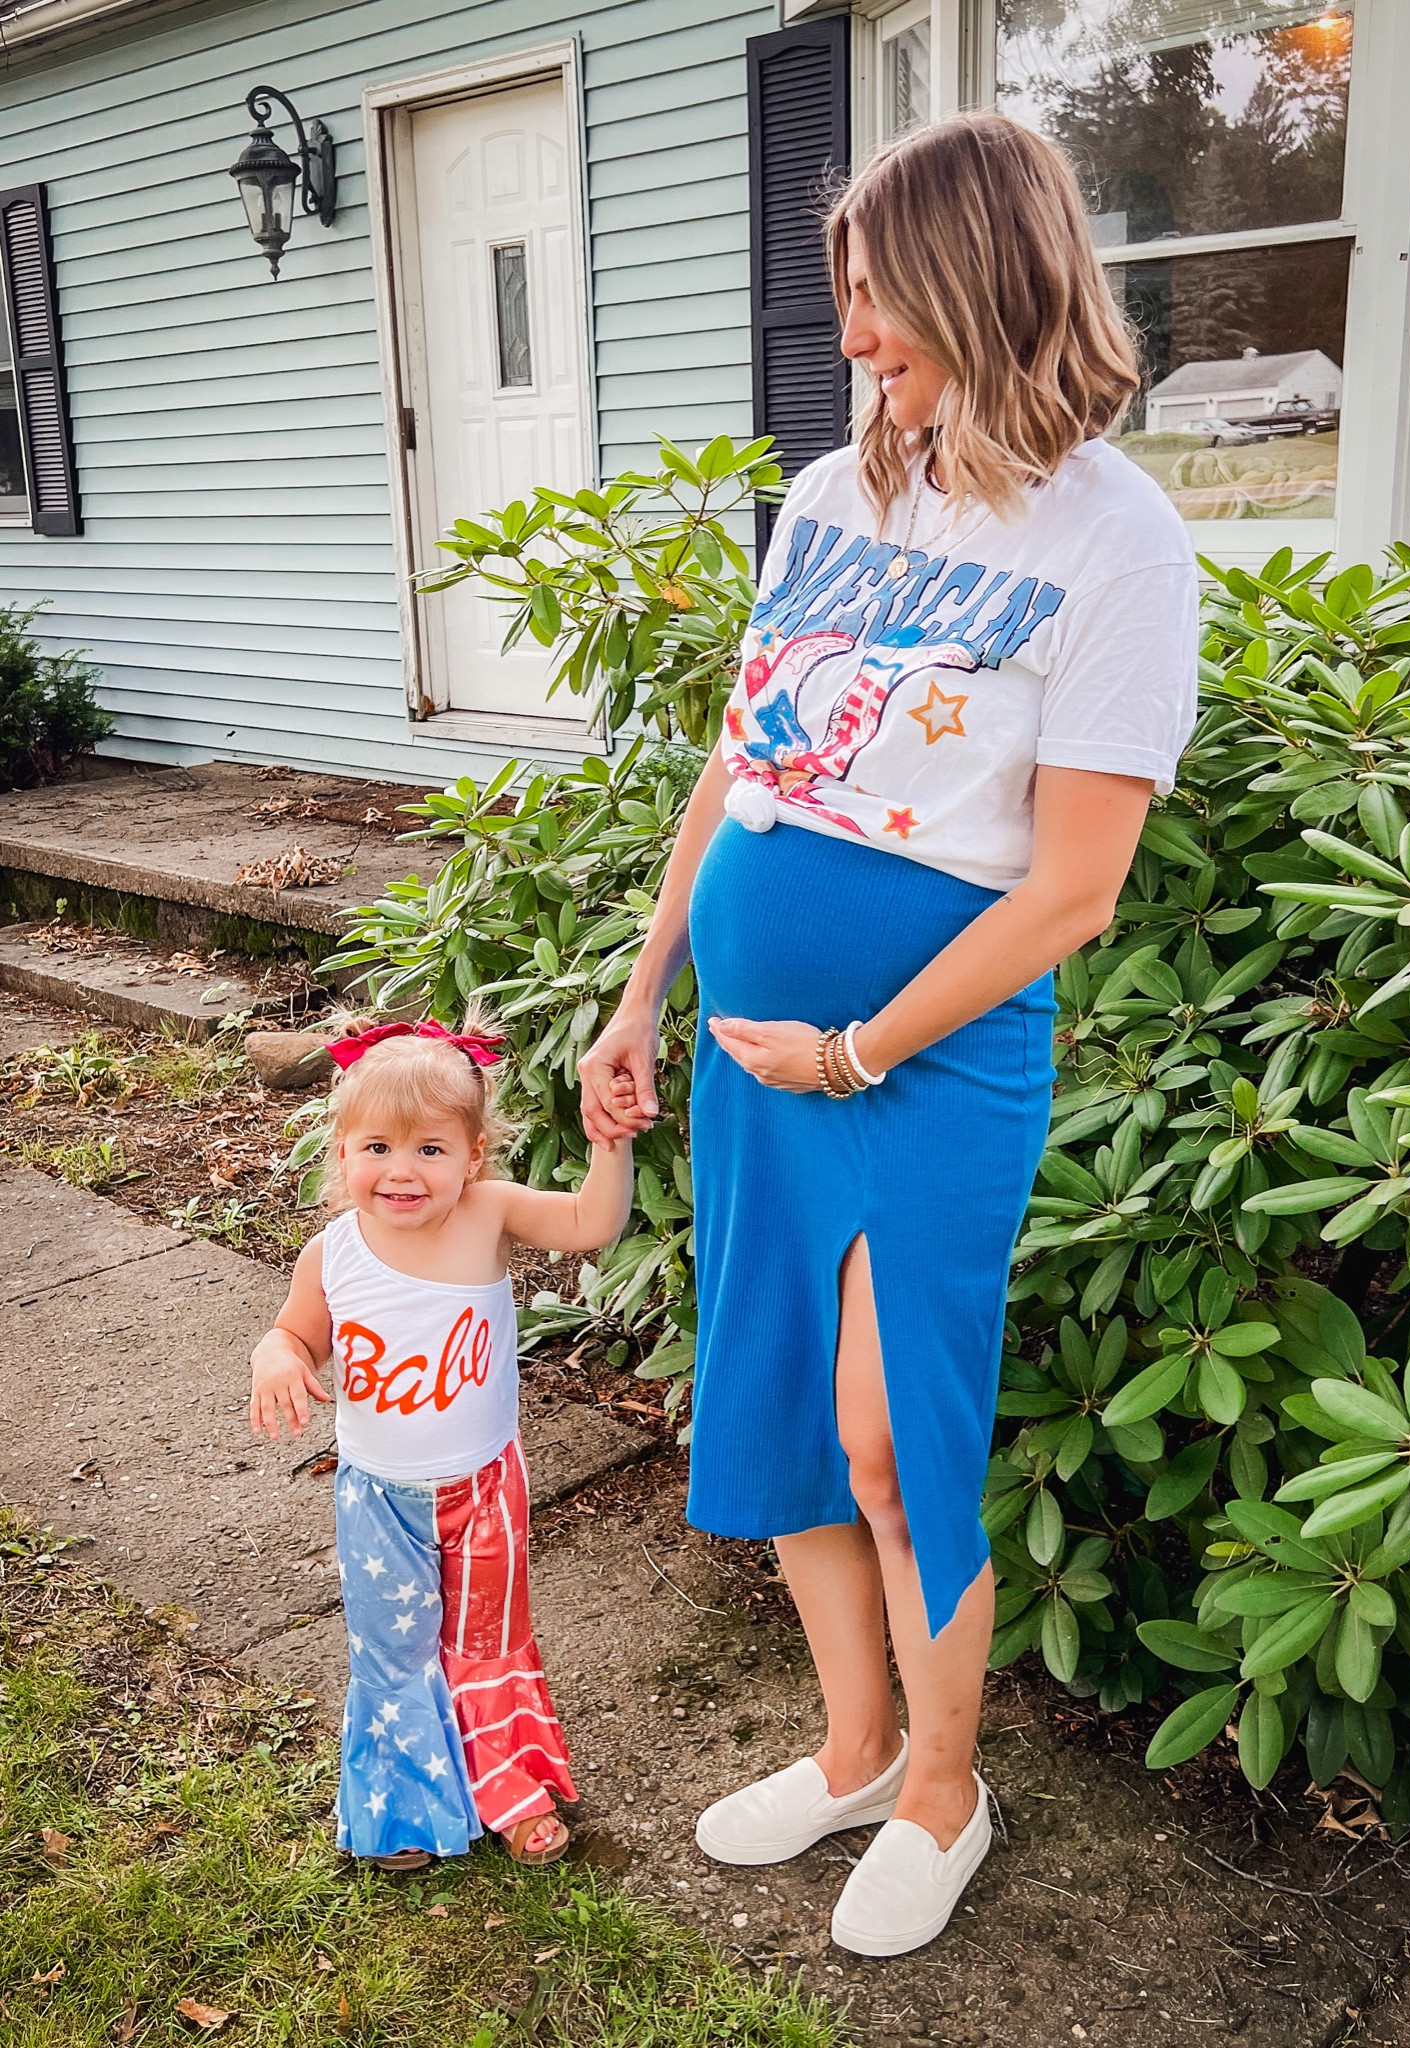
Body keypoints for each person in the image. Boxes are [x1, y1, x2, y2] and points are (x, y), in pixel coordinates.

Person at [579, 110, 1198, 1957]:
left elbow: (1071, 888)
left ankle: (946, 1783)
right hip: (755, 1039)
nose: (849, 335)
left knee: (882, 1431)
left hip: (923, 1053)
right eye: (842, 298)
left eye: (876, 297)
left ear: (982, 278)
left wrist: (855, 1048)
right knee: (776, 1395)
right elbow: (740, 760)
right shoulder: (833, 496)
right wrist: (640, 987)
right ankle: (852, 1747)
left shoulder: (1117, 539)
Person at [249, 1012, 633, 1872]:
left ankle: (507, 1787)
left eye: (430, 1149)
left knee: (487, 1641)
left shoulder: (488, 1214)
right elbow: (295, 1335)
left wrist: (609, 1143)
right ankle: (406, 1809)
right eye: (377, 1146)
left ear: (473, 1158)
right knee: (394, 1647)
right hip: (380, 1497)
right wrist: (275, 1353)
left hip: (485, 1486)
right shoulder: (332, 1253)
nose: (402, 1170)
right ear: (342, 1153)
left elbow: (589, 1223)